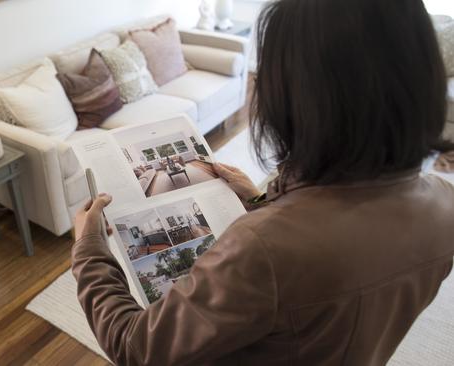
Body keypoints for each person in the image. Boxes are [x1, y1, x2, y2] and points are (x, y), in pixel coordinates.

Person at [71, 0, 454, 364]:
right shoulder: (443, 203)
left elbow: (137, 347)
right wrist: (258, 199)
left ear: (301, 98)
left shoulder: (264, 249)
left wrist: (89, 250)